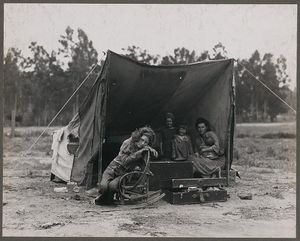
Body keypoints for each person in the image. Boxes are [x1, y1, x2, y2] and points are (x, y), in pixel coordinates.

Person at [95, 126, 158, 205]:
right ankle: (102, 197)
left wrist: (151, 150)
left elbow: (145, 160)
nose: (143, 144)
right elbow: (125, 161)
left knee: (112, 186)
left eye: (146, 142)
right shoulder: (127, 143)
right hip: (112, 169)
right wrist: (139, 153)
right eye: (142, 140)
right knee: (103, 187)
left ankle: (109, 200)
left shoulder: (143, 148)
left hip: (123, 173)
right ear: (138, 137)